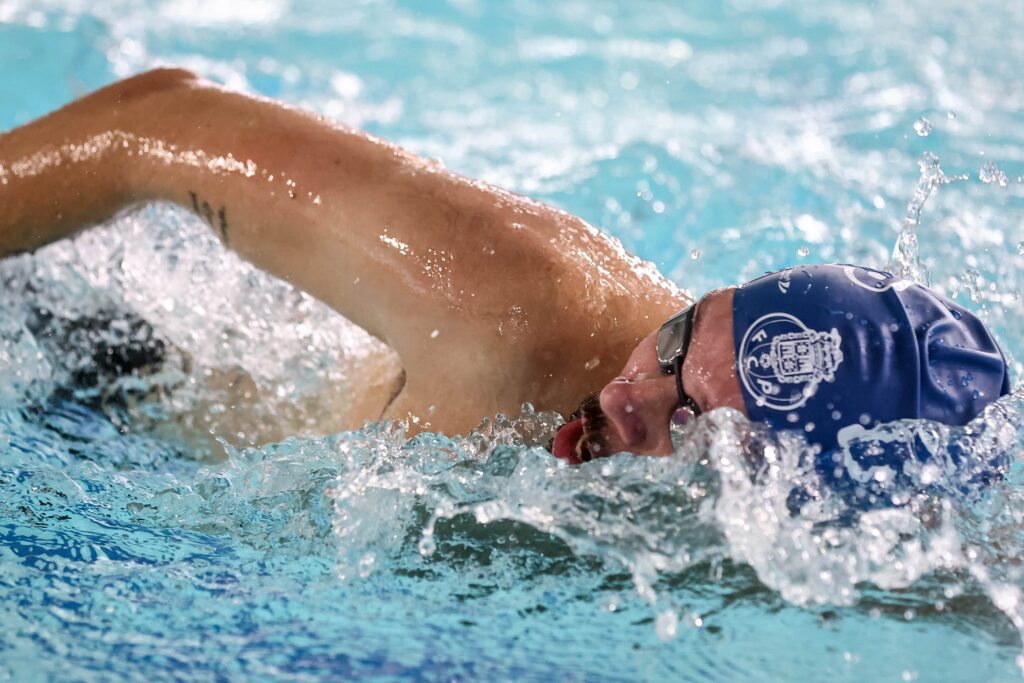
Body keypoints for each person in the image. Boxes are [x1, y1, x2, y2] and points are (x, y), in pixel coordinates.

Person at [0, 68, 1012, 468]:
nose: (624, 396)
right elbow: (159, 123)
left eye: (691, 421)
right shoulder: (506, 304)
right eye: (670, 342)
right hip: (106, 402)